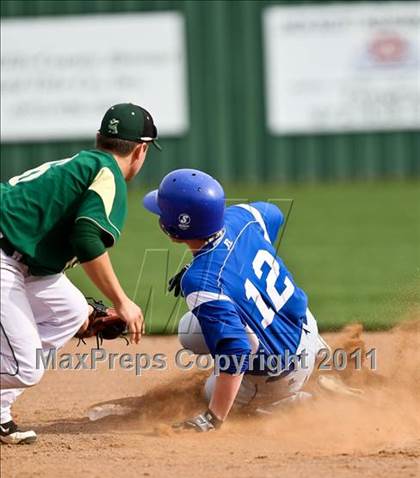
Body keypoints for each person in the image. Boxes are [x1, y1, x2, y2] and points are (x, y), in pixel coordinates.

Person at [0, 103, 160, 444]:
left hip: (20, 258)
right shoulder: (108, 174)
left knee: (72, 311)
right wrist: (123, 301)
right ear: (141, 150)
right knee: (24, 368)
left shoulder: (84, 163)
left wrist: (90, 312)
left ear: (100, 138)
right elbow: (86, 239)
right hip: (5, 254)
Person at [143, 168, 325, 432]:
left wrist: (212, 418)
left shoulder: (201, 281)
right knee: (201, 325)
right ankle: (324, 363)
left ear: (174, 227)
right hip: (308, 332)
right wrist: (240, 260)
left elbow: (236, 351)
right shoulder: (244, 217)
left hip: (279, 375)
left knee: (198, 356)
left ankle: (300, 400)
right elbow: (274, 214)